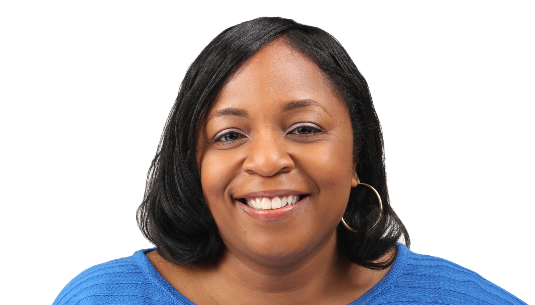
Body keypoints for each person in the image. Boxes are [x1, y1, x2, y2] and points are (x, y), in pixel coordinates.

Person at [53, 17, 526, 305]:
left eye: (305, 129)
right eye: (229, 135)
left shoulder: (455, 298)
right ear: (193, 165)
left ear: (357, 154)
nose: (266, 160)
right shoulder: (100, 298)